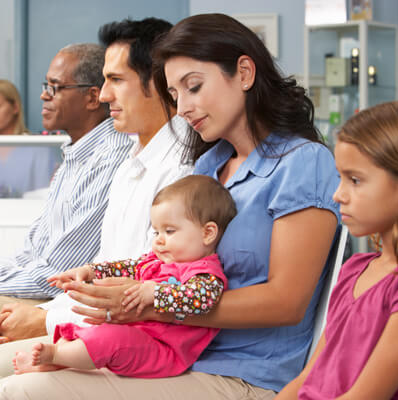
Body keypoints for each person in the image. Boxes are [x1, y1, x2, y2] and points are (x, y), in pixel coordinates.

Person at [0, 13, 340, 399]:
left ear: (244, 73)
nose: (181, 109)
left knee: (20, 391)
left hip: (241, 373)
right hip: (169, 351)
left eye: (193, 87)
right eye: (175, 95)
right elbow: (164, 261)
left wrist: (150, 303)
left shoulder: (303, 163)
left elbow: (286, 302)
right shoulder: (209, 166)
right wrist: (103, 277)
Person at [0, 17, 192, 375]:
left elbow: (132, 293)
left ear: (161, 82)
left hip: (126, 339)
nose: (104, 95)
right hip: (87, 322)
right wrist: (48, 316)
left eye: (116, 81)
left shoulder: (182, 171)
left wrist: (44, 318)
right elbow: (101, 271)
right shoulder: (132, 163)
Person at [13, 175, 235, 378]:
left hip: (162, 350)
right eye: (156, 232)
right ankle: (59, 359)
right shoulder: (158, 261)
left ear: (207, 233)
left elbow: (202, 300)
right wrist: (90, 271)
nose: (158, 240)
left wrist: (155, 293)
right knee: (93, 330)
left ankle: (55, 357)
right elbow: (127, 267)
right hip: (137, 333)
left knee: (109, 339)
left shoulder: (205, 273)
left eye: (169, 231)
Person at [0, 43, 133, 325]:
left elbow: (59, 274)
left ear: (93, 97)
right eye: (45, 85)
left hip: (51, 301)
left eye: (55, 87)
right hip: (32, 291)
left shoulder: (111, 158)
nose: (43, 95)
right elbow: (33, 248)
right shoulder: (74, 154)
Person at [276, 101, 398, 400]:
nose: (338, 194)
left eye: (355, 180)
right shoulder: (354, 269)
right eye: (340, 177)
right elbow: (308, 377)